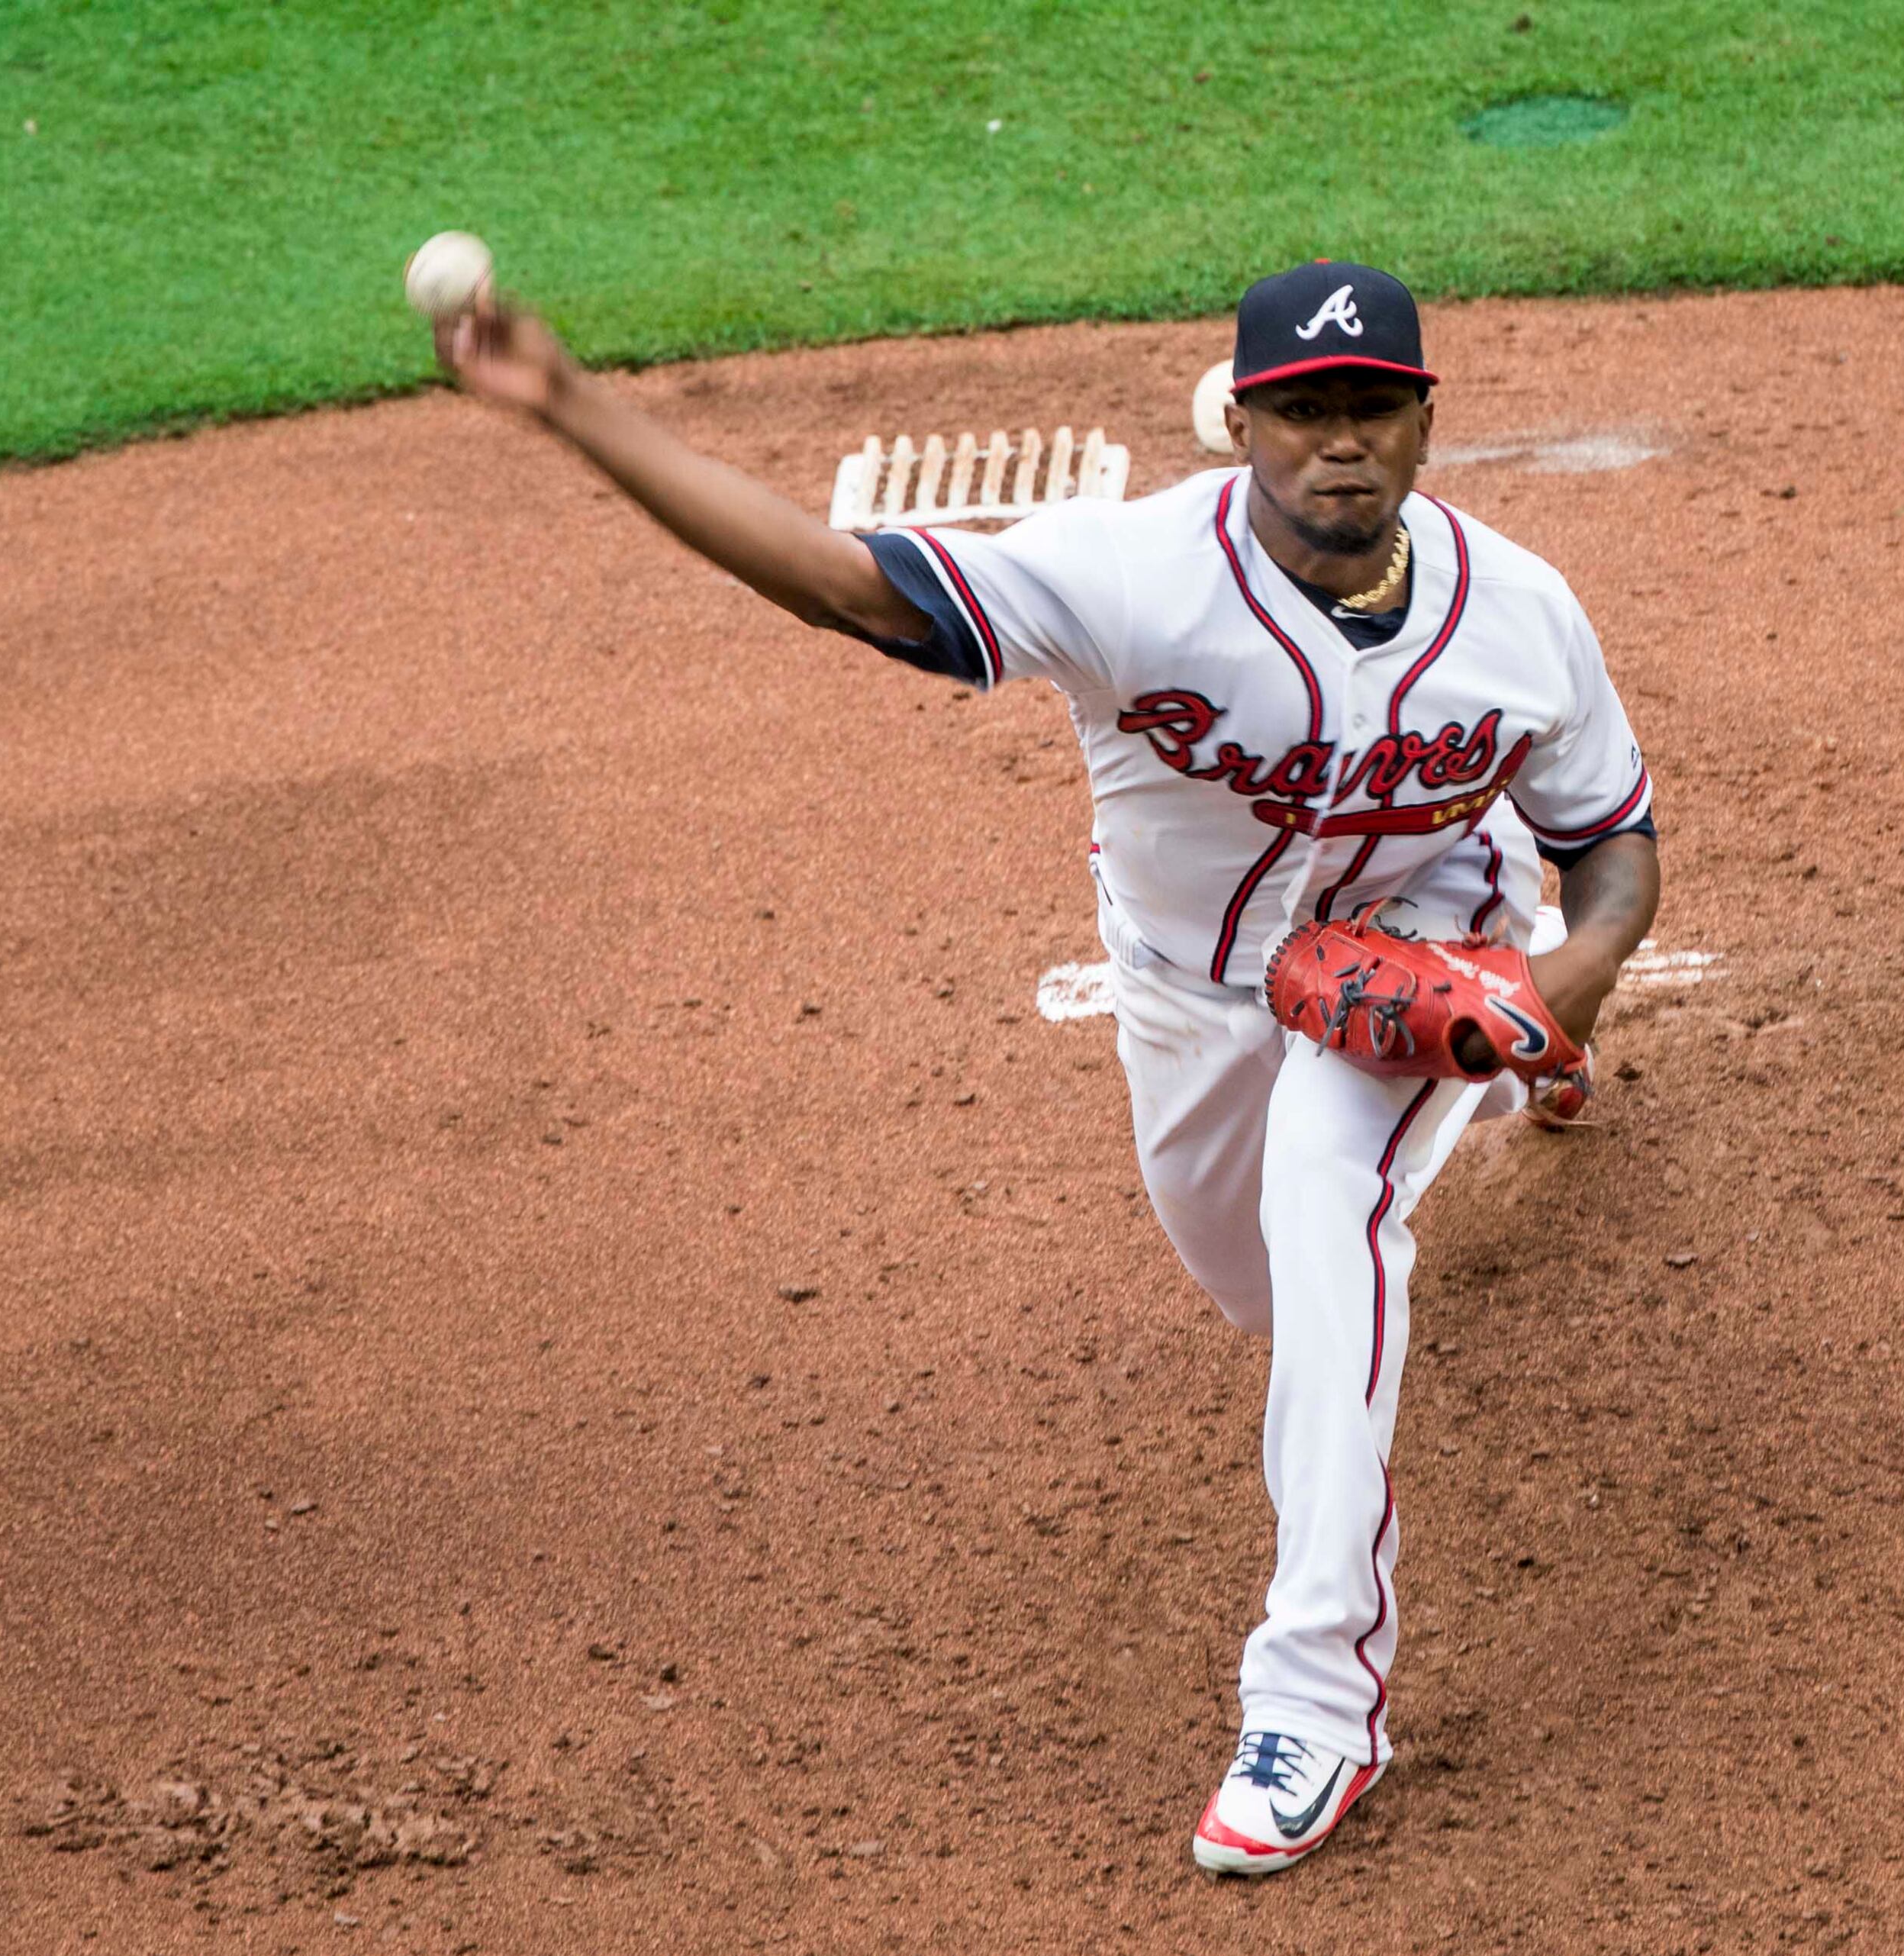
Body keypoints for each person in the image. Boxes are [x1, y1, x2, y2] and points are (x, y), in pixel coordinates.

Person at [431, 259, 1661, 1875]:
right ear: (1241, 426)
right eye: (1301, 413)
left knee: (1330, 1214)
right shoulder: (1132, 574)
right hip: (1192, 991)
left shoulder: (1524, 615)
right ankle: (1498, 1067)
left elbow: (1619, 850)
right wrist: (572, 403)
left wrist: (1555, 978)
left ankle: (1320, 1699)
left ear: (1426, 424)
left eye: (1371, 408)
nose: (1337, 445)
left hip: (1422, 929)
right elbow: (845, 582)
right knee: (1262, 1292)